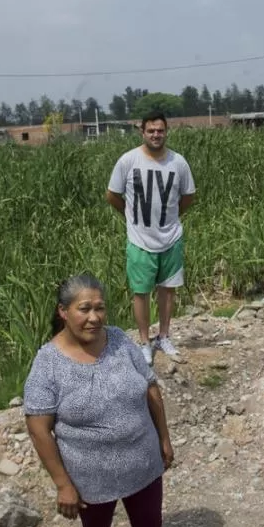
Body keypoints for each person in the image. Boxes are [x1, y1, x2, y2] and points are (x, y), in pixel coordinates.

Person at [23, 273, 176, 527]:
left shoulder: (121, 341)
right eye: (84, 309)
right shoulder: (48, 362)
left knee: (150, 523)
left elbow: (151, 389)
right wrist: (63, 484)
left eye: (100, 308)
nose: (94, 316)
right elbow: (38, 428)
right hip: (91, 474)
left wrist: (164, 438)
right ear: (64, 312)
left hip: (143, 459)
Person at [106, 112, 197, 366]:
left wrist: (173, 216)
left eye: (160, 130)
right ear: (142, 132)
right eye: (151, 131)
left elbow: (188, 195)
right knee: (141, 291)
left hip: (171, 237)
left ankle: (164, 336)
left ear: (167, 132)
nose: (156, 135)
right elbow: (112, 194)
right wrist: (130, 215)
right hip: (139, 240)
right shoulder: (128, 161)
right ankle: (145, 341)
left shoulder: (178, 162)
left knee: (168, 290)